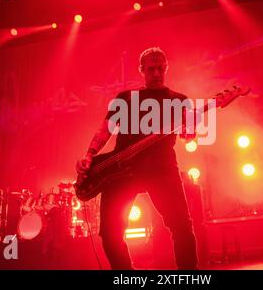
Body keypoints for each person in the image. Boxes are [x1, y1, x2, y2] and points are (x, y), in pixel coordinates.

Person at [76, 47, 198, 269]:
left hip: (162, 169)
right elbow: (105, 131)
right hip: (122, 169)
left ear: (166, 68)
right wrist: (89, 155)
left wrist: (190, 133)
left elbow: (189, 135)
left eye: (161, 68)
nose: (156, 73)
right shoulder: (126, 98)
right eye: (151, 69)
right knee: (110, 233)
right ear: (141, 70)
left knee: (182, 227)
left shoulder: (180, 101)